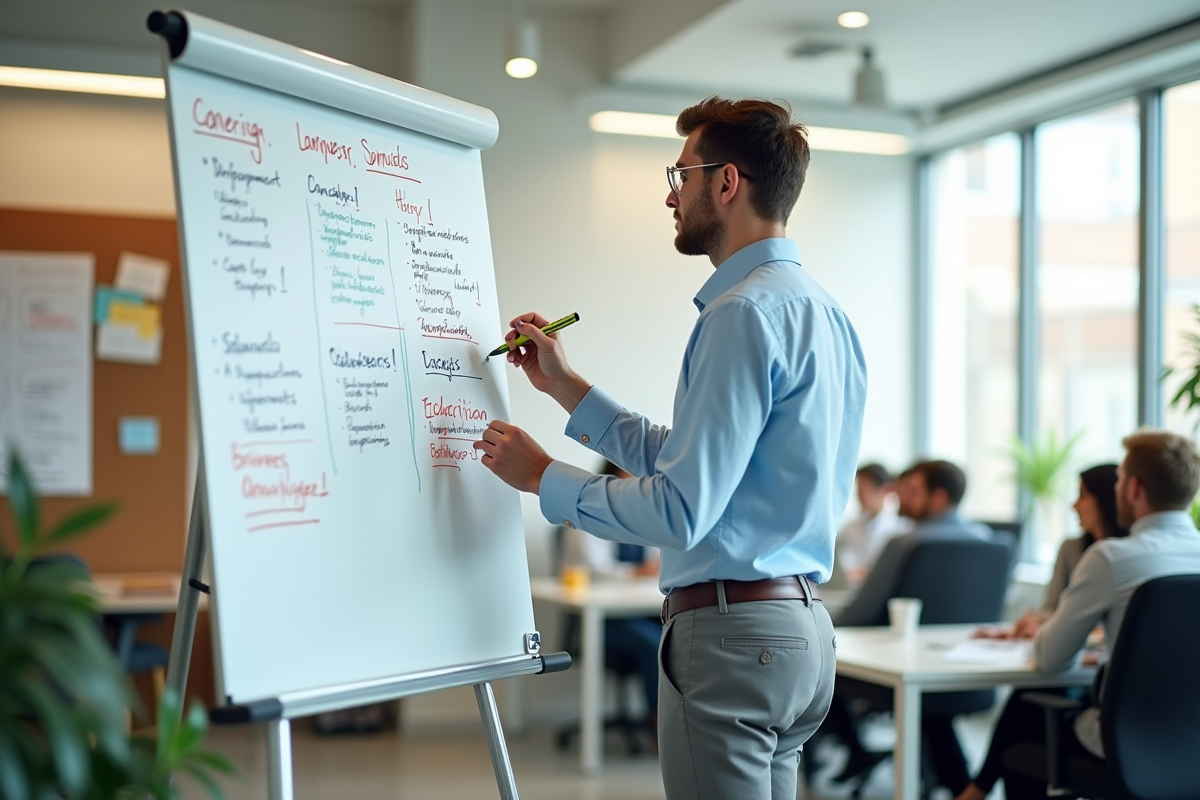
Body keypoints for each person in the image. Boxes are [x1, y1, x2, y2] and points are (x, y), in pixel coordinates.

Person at [473, 96, 868, 800]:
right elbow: (694, 463)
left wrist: (543, 480)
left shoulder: (740, 314)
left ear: (727, 183)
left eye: (680, 173)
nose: (669, 194)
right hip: (800, 636)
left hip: (733, 638)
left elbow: (683, 509)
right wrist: (566, 387)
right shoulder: (825, 313)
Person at [998, 430, 1200, 800]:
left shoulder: (1111, 558)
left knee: (1019, 742)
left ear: (1135, 488)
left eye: (1120, 479)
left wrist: (1047, 625)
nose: (1118, 487)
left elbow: (1049, 659)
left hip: (1125, 746)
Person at [819, 459, 995, 794]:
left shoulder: (905, 544)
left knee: (820, 665)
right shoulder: (989, 541)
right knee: (934, 714)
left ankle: (856, 751)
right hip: (965, 670)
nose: (901, 498)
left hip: (898, 672)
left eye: (912, 491)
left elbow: (861, 611)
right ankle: (959, 785)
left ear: (938, 497)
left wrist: (823, 624)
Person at [955, 463, 1128, 800]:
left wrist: (1060, 627)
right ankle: (975, 790)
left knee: (1024, 719)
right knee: (1029, 707)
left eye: (1082, 496)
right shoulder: (1073, 548)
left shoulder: (1113, 557)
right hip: (1091, 677)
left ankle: (975, 790)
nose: (1073, 505)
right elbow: (1056, 609)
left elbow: (1054, 652)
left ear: (1108, 499)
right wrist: (1038, 621)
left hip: (1098, 691)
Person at [558, 461, 662, 729]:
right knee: (655, 645)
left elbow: (657, 562)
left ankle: (681, 723)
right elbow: (596, 571)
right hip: (602, 620)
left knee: (679, 637)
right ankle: (659, 727)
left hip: (640, 609)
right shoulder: (585, 517)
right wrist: (638, 572)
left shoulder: (646, 518)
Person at [835, 463, 910, 588]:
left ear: (885, 490)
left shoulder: (902, 527)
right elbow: (846, 566)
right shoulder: (849, 528)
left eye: (866, 489)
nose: (860, 496)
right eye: (859, 490)